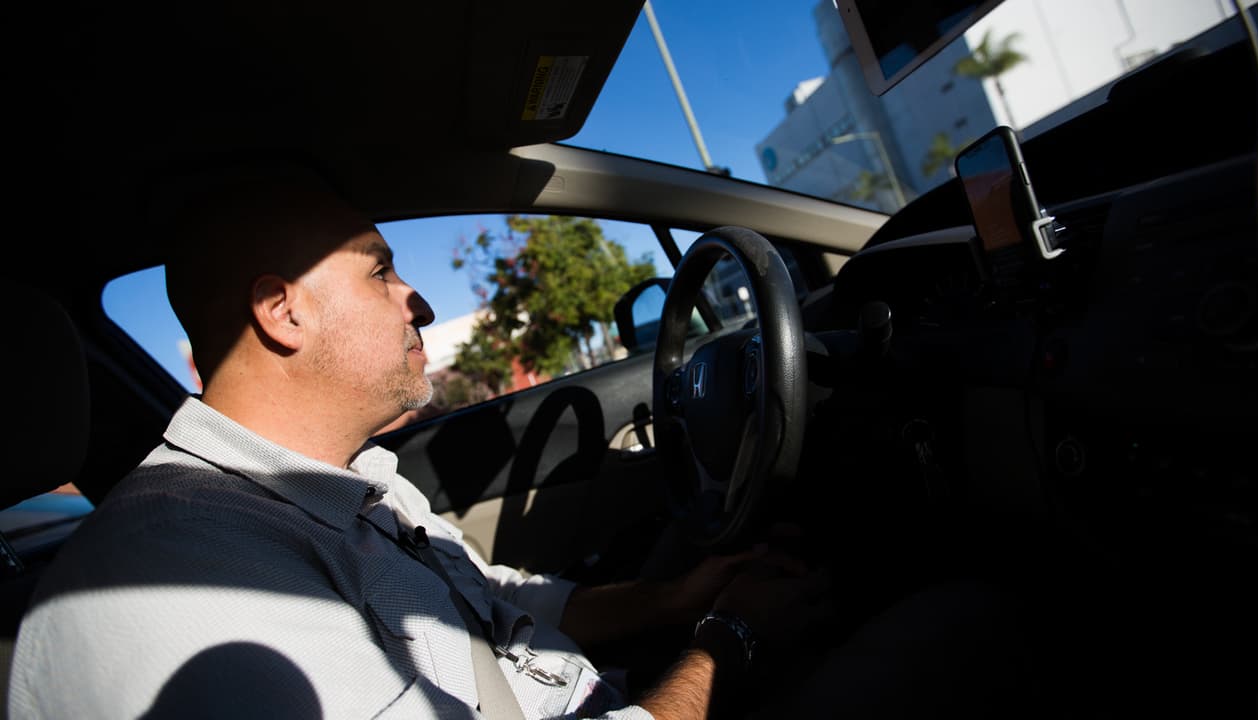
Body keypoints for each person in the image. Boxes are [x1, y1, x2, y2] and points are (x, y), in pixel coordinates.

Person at [7, 163, 833, 719]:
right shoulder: (186, 582)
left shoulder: (350, 483)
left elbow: (495, 602)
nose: (420, 302)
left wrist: (673, 602)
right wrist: (728, 644)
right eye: (380, 271)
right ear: (283, 312)